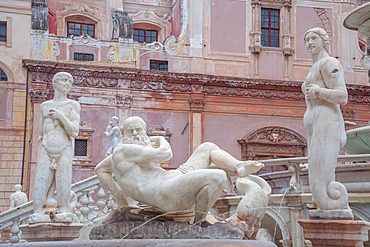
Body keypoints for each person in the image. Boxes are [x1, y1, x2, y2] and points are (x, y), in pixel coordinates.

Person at [95, 116, 264, 224]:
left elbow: (100, 169)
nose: (135, 134)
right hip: (165, 192)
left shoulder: (124, 154)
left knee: (207, 147)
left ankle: (238, 166)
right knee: (218, 176)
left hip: (173, 179)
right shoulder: (124, 150)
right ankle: (199, 223)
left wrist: (119, 195)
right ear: (123, 133)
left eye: (139, 130)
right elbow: (165, 154)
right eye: (130, 131)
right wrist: (159, 138)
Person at [302, 27, 352, 217]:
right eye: (307, 40)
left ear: (323, 40)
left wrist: (319, 92)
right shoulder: (314, 67)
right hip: (315, 124)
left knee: (321, 178)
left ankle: (336, 210)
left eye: (314, 38)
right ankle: (328, 211)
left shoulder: (329, 62)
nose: (310, 43)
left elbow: (343, 96)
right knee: (317, 175)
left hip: (327, 122)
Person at [30, 72, 81, 223]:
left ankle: (64, 209)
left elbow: (75, 131)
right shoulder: (44, 106)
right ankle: (38, 211)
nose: (67, 84)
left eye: (69, 82)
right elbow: (40, 132)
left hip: (64, 147)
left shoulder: (73, 105)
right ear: (55, 84)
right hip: (45, 148)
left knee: (63, 181)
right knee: (41, 180)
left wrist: (61, 117)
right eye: (64, 81)